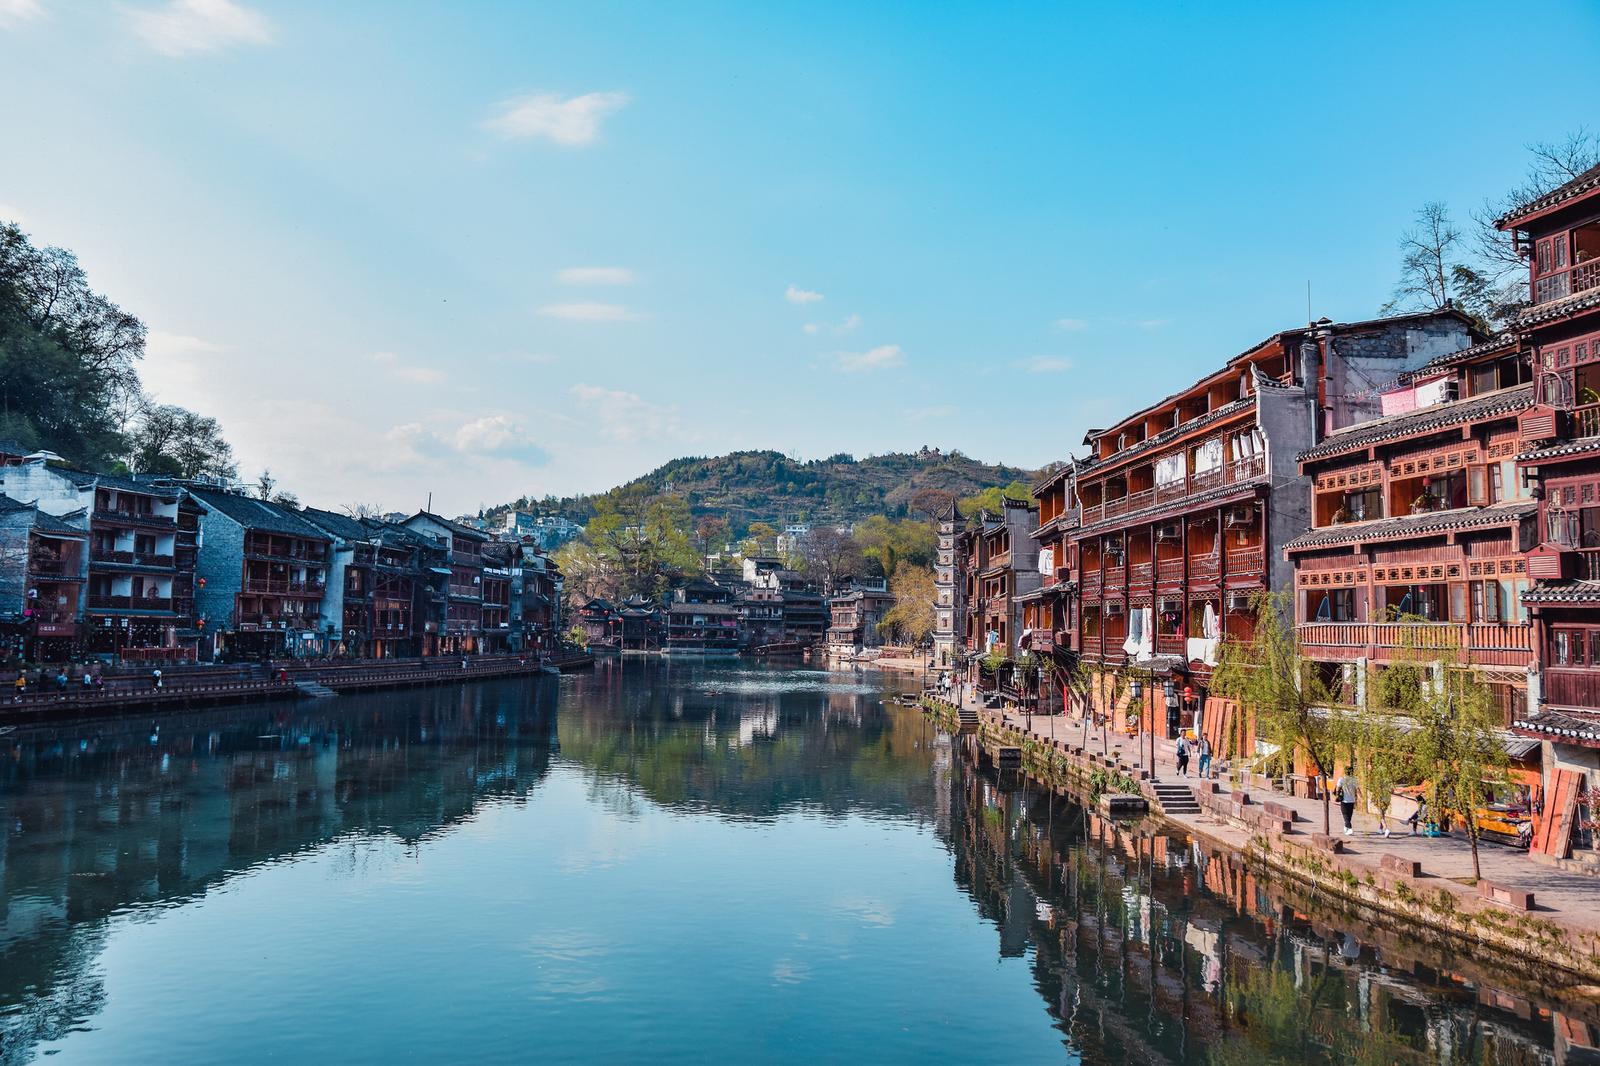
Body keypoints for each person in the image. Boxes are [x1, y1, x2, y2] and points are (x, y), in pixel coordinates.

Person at [1337, 767, 1359, 836]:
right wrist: (1360, 798)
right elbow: (1357, 790)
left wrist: (1338, 795)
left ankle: (1349, 828)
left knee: (1345, 815)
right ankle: (1346, 826)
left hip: (1344, 800)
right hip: (1352, 800)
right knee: (1349, 815)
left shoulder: (1342, 779)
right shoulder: (1354, 780)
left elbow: (1338, 788)